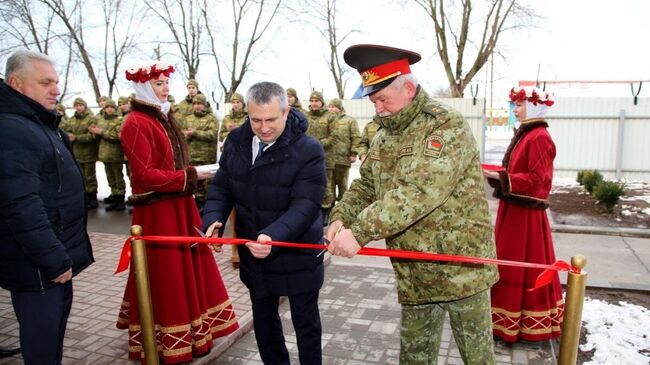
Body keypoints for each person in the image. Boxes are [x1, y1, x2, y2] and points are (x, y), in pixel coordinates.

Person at [325, 44, 498, 364]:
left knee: (478, 359)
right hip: (416, 274)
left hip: (461, 271)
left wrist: (360, 231)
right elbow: (366, 185)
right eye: (373, 100)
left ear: (408, 87)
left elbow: (419, 191)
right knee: (415, 359)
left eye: (382, 99)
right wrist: (341, 216)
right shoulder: (384, 136)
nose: (377, 108)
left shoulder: (444, 125)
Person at [117, 60, 238, 363]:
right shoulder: (135, 122)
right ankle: (168, 341)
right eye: (159, 84)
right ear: (143, 86)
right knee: (167, 273)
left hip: (178, 205)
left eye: (166, 83)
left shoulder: (163, 116)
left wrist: (192, 175)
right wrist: (190, 176)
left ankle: (196, 335)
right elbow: (144, 175)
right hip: (158, 211)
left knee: (188, 267)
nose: (165, 88)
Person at [202, 81, 326, 365]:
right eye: (255, 119)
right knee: (265, 323)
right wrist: (213, 219)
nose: (264, 127)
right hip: (254, 252)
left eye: (271, 119)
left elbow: (305, 205)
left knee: (306, 324)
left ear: (286, 112)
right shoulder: (236, 142)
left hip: (296, 250)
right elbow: (222, 187)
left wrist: (272, 236)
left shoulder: (308, 149)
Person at [0, 49, 94, 364]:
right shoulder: (13, 129)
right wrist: (54, 260)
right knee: (41, 345)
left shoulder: (37, 123)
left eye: (56, 82)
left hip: (51, 260)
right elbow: (20, 205)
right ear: (16, 84)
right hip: (38, 266)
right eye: (45, 83)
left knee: (51, 341)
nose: (56, 89)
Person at [483, 87, 563, 343]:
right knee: (508, 262)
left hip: (525, 216)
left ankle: (519, 323)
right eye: (514, 105)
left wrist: (502, 177)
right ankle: (504, 321)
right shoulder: (528, 134)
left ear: (534, 106)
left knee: (520, 263)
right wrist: (502, 175)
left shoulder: (539, 136)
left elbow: (539, 179)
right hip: (515, 210)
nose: (514, 110)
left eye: (518, 105)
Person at [181, 93, 219, 212]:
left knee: (207, 185)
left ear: (204, 105)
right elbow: (180, 134)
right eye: (195, 104)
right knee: (194, 184)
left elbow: (212, 134)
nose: (197, 106)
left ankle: (208, 209)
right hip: (192, 157)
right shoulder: (188, 119)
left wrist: (196, 133)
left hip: (206, 158)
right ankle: (197, 206)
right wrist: (186, 135)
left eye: (199, 104)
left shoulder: (211, 118)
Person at [89, 99, 127, 211]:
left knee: (118, 178)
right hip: (104, 154)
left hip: (116, 154)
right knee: (110, 179)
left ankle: (120, 200)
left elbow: (116, 135)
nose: (109, 109)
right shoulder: (100, 120)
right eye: (107, 107)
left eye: (111, 107)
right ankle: (114, 198)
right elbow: (95, 135)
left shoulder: (119, 120)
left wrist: (101, 132)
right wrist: (93, 132)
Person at [62, 97, 100, 210]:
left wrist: (77, 137)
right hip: (76, 153)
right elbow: (67, 130)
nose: (78, 108)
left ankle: (92, 198)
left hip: (88, 153)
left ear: (84, 106)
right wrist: (68, 136)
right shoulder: (72, 119)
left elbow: (93, 136)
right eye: (76, 105)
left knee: (90, 177)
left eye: (80, 105)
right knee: (80, 177)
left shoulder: (91, 118)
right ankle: (84, 197)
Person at [305, 90, 337, 222]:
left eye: (316, 101)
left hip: (326, 156)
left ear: (322, 102)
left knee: (326, 184)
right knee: (309, 182)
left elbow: (334, 137)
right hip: (307, 156)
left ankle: (326, 210)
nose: (314, 103)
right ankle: (313, 208)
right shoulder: (305, 116)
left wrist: (316, 144)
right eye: (312, 101)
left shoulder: (330, 117)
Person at [327, 98, 360, 202]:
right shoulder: (326, 120)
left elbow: (356, 137)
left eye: (333, 107)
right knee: (329, 187)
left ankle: (342, 208)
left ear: (339, 108)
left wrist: (354, 153)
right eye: (329, 106)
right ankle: (330, 209)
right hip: (328, 160)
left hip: (343, 159)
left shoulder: (349, 120)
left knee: (342, 186)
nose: (331, 109)